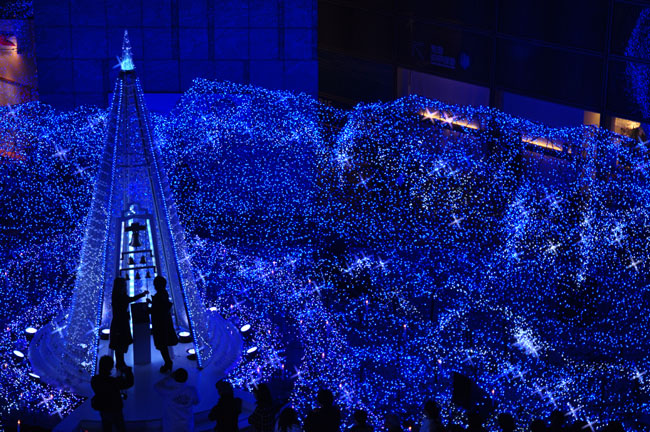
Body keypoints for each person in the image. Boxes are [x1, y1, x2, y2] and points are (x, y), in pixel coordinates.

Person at [109, 276, 148, 370]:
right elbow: (130, 300)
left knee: (120, 344)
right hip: (120, 323)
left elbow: (129, 299)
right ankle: (120, 364)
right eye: (123, 285)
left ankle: (120, 363)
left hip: (120, 322)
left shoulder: (118, 295)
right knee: (120, 344)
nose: (124, 287)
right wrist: (142, 294)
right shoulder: (119, 297)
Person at [90, 355, 134, 432]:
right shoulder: (113, 382)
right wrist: (128, 371)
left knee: (107, 427)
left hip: (103, 408)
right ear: (110, 367)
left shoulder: (95, 379)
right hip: (115, 409)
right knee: (120, 427)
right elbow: (129, 383)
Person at [148, 275, 179, 373]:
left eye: (155, 284)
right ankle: (168, 363)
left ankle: (168, 363)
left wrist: (149, 309)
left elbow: (158, 309)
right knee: (163, 344)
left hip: (160, 324)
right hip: (164, 322)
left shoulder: (159, 295)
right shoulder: (164, 293)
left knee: (162, 344)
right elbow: (162, 306)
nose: (154, 286)